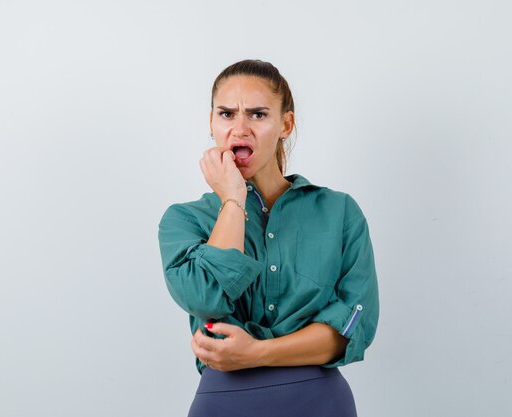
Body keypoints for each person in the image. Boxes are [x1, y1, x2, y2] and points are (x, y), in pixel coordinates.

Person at [157, 59, 379, 417]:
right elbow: (206, 299)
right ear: (211, 123)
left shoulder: (339, 212)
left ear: (285, 124)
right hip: (224, 403)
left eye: (258, 115)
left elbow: (353, 327)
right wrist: (232, 200)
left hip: (319, 403)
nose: (239, 129)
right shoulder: (183, 220)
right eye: (226, 114)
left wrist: (255, 352)